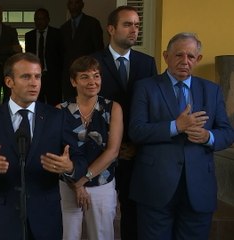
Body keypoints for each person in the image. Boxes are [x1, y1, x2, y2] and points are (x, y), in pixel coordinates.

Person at [0, 52, 85, 240]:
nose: (34, 83)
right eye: (26, 76)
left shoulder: (56, 117)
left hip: (45, 219)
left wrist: (70, 168)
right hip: (2, 220)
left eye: (37, 77)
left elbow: (79, 160)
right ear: (9, 82)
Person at [129, 32, 234, 240]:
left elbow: (227, 133)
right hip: (155, 187)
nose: (185, 61)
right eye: (178, 55)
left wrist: (207, 137)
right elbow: (136, 131)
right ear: (166, 56)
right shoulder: (145, 87)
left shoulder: (211, 90)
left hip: (199, 188)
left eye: (191, 56)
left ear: (198, 59)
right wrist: (175, 126)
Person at [91, 6, 158, 239]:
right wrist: (113, 148)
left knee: (133, 211)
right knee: (101, 215)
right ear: (111, 29)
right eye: (128, 24)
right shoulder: (94, 62)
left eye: (137, 25)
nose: (134, 30)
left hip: (136, 150)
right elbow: (88, 106)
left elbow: (152, 107)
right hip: (101, 150)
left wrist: (136, 144)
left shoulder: (147, 63)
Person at [58, 56, 123, 240]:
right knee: (67, 235)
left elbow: (113, 152)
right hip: (68, 185)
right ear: (73, 81)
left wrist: (83, 179)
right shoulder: (60, 110)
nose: (92, 82)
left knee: (101, 236)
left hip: (102, 184)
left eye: (96, 76)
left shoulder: (113, 108)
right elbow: (59, 152)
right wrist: (76, 185)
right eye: (85, 77)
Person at [60, 0, 104, 100]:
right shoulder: (64, 28)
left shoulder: (92, 23)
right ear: (68, 6)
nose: (74, 6)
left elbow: (99, 48)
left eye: (77, 2)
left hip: (88, 71)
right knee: (70, 104)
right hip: (69, 74)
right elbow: (62, 53)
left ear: (82, 5)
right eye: (71, 3)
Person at [25, 8, 63, 106]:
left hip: (53, 77)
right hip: (36, 76)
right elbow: (28, 56)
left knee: (54, 105)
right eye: (37, 19)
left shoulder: (57, 34)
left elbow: (62, 56)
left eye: (42, 19)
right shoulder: (29, 36)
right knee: (36, 104)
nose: (39, 21)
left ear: (48, 20)